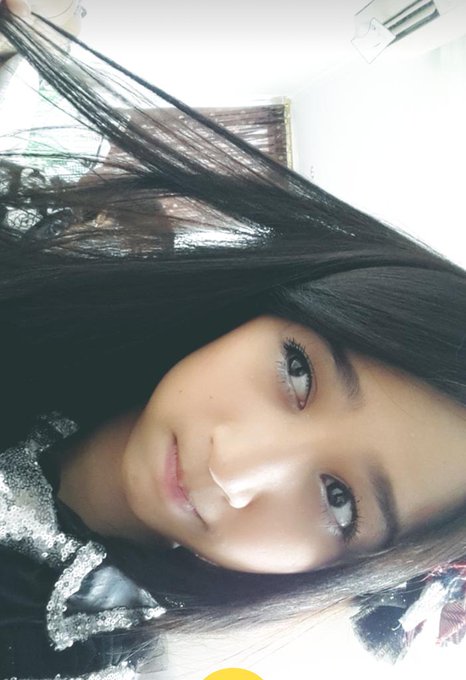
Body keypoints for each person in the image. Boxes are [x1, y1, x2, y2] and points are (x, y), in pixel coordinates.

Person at [0, 2, 465, 678]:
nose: (238, 466)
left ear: (347, 569)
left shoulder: (68, 656)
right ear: (271, 308)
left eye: (339, 499)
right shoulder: (42, 268)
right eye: (299, 374)